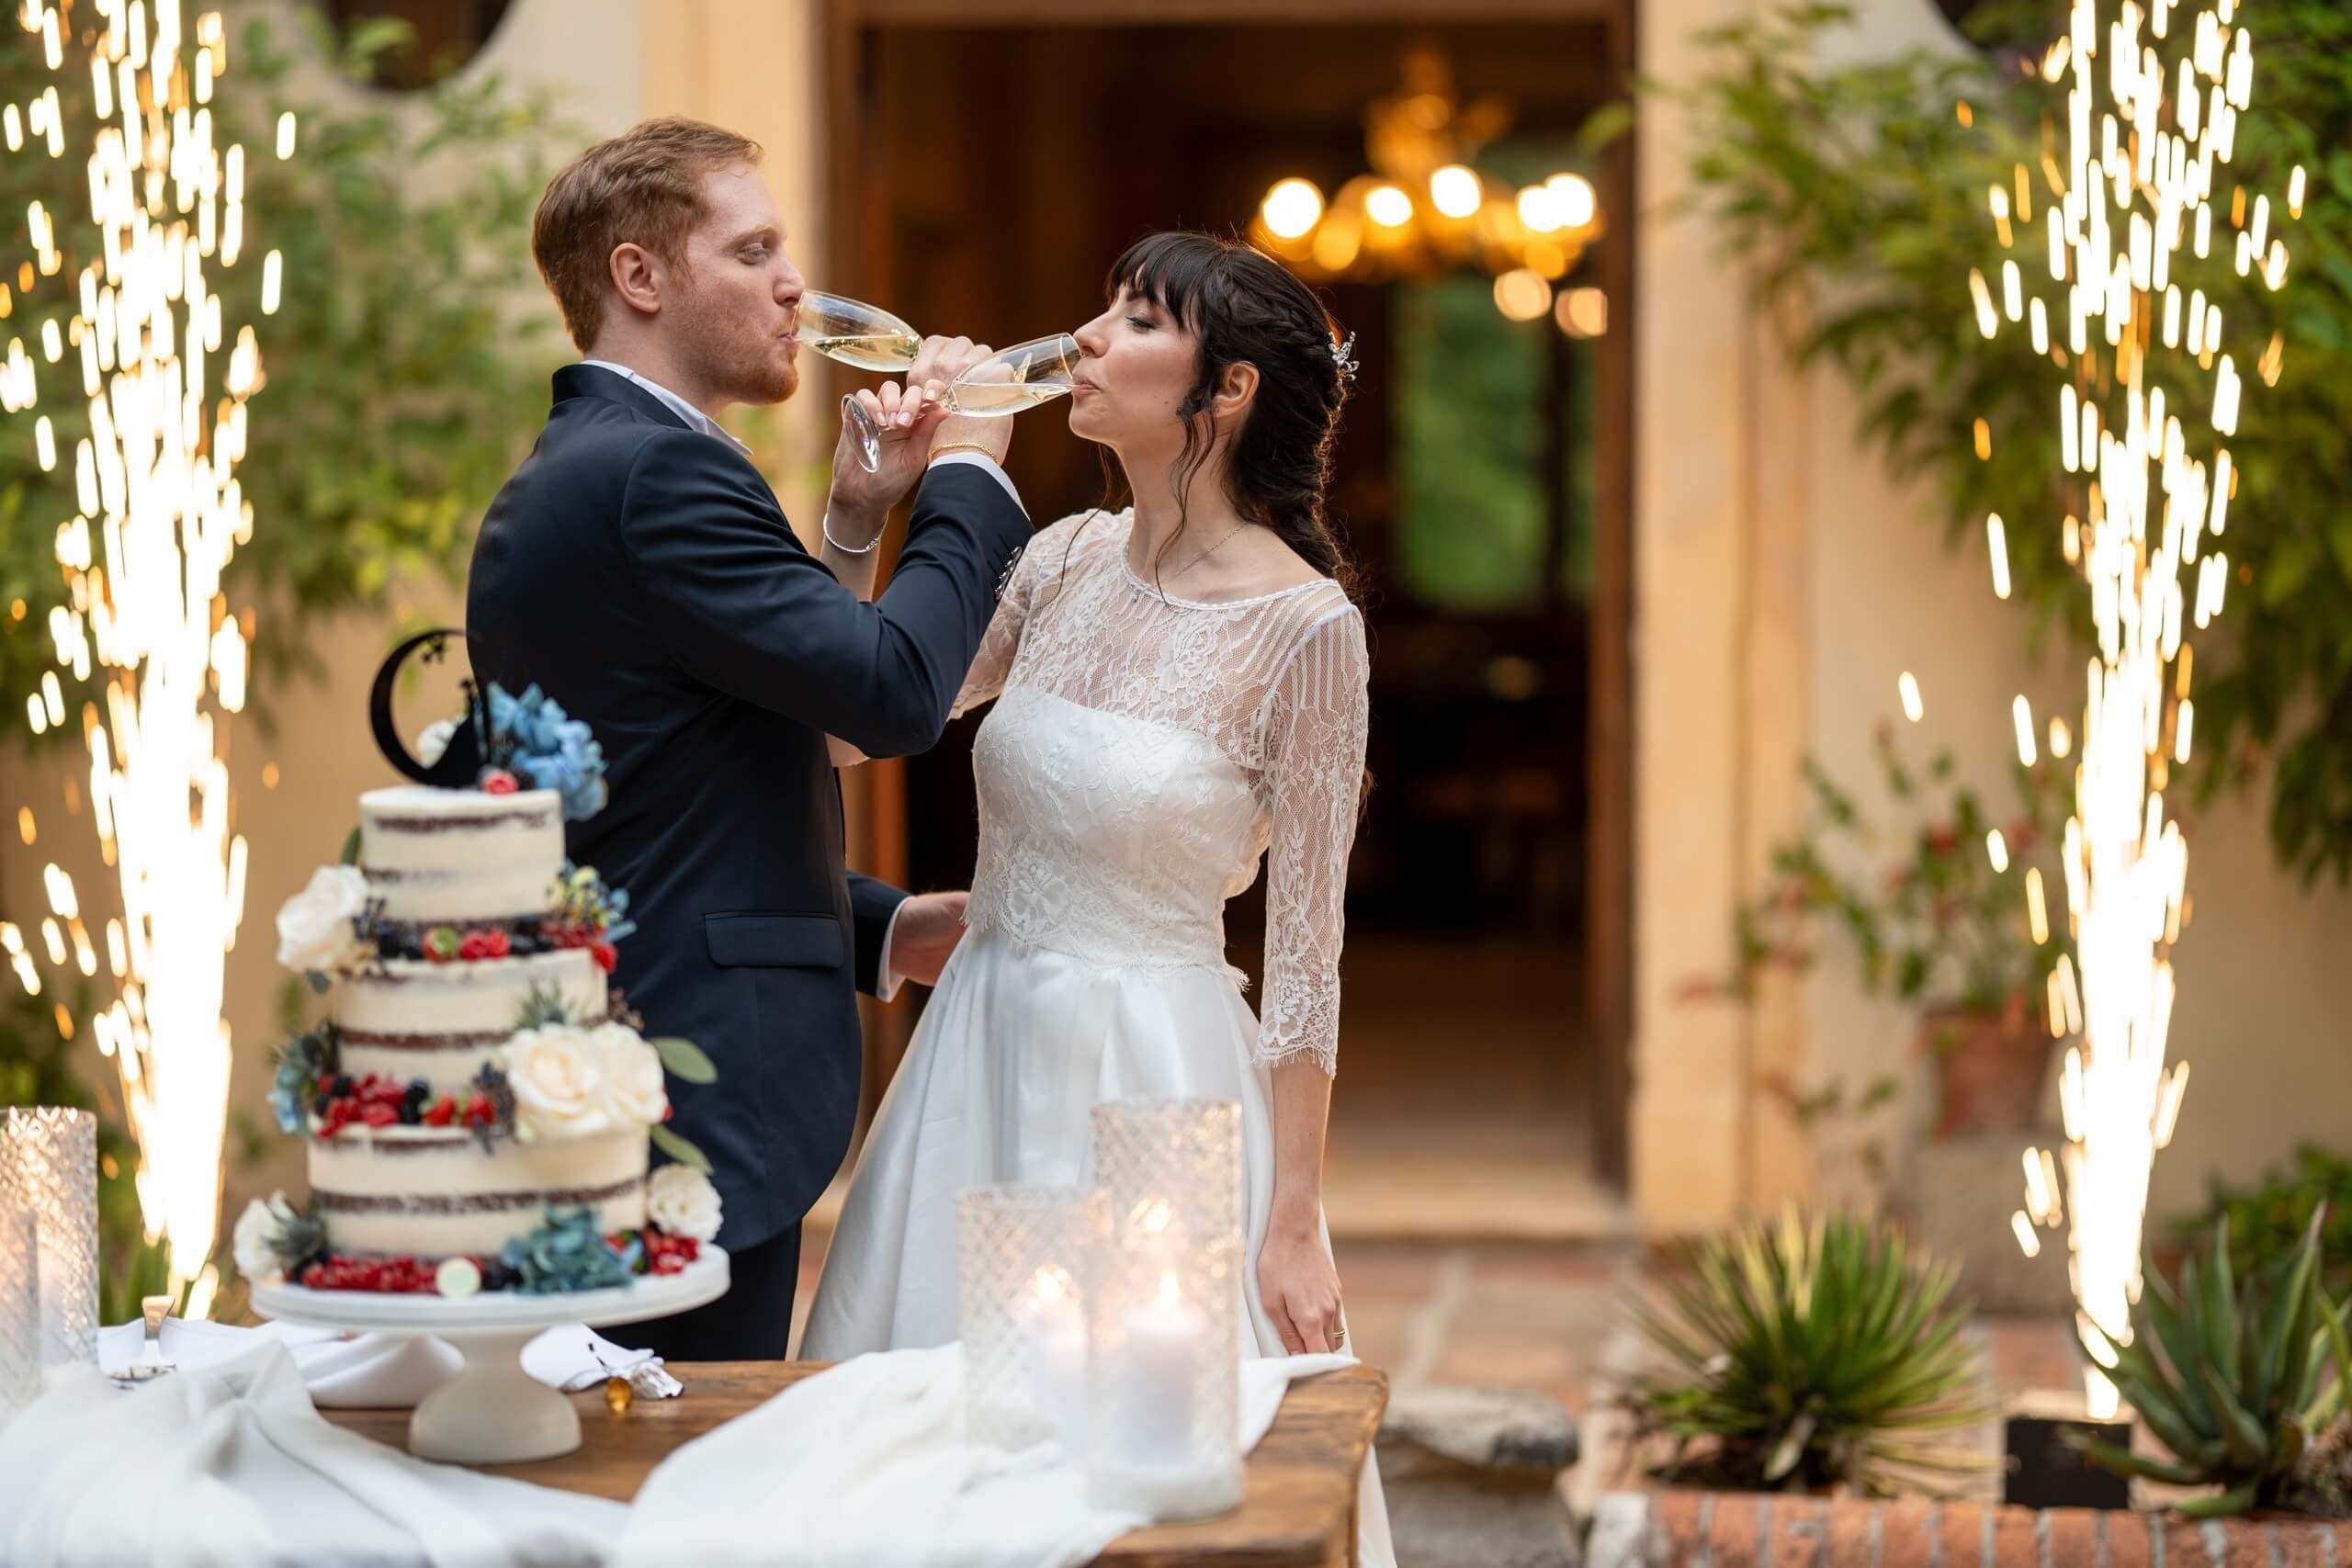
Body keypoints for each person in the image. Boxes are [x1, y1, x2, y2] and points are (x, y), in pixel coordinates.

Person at [801, 229, 1391, 1562]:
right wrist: (857, 515)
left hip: (1155, 1095)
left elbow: (1305, 969)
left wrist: (1292, 1217)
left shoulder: (1309, 632)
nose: (1084, 339)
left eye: (1135, 321)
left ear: (1224, 391)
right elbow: (847, 722)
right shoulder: (1061, 556)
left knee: (1135, 1477)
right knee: (914, 1469)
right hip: (977, 1053)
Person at [464, 116, 1030, 1360]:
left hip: (640, 1073)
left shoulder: (610, 463)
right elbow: (891, 693)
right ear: (641, 276)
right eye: (757, 250)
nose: (797, 286)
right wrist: (974, 473)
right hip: (683, 1100)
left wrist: (871, 925)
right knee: (673, 1497)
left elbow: (685, 769)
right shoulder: (657, 477)